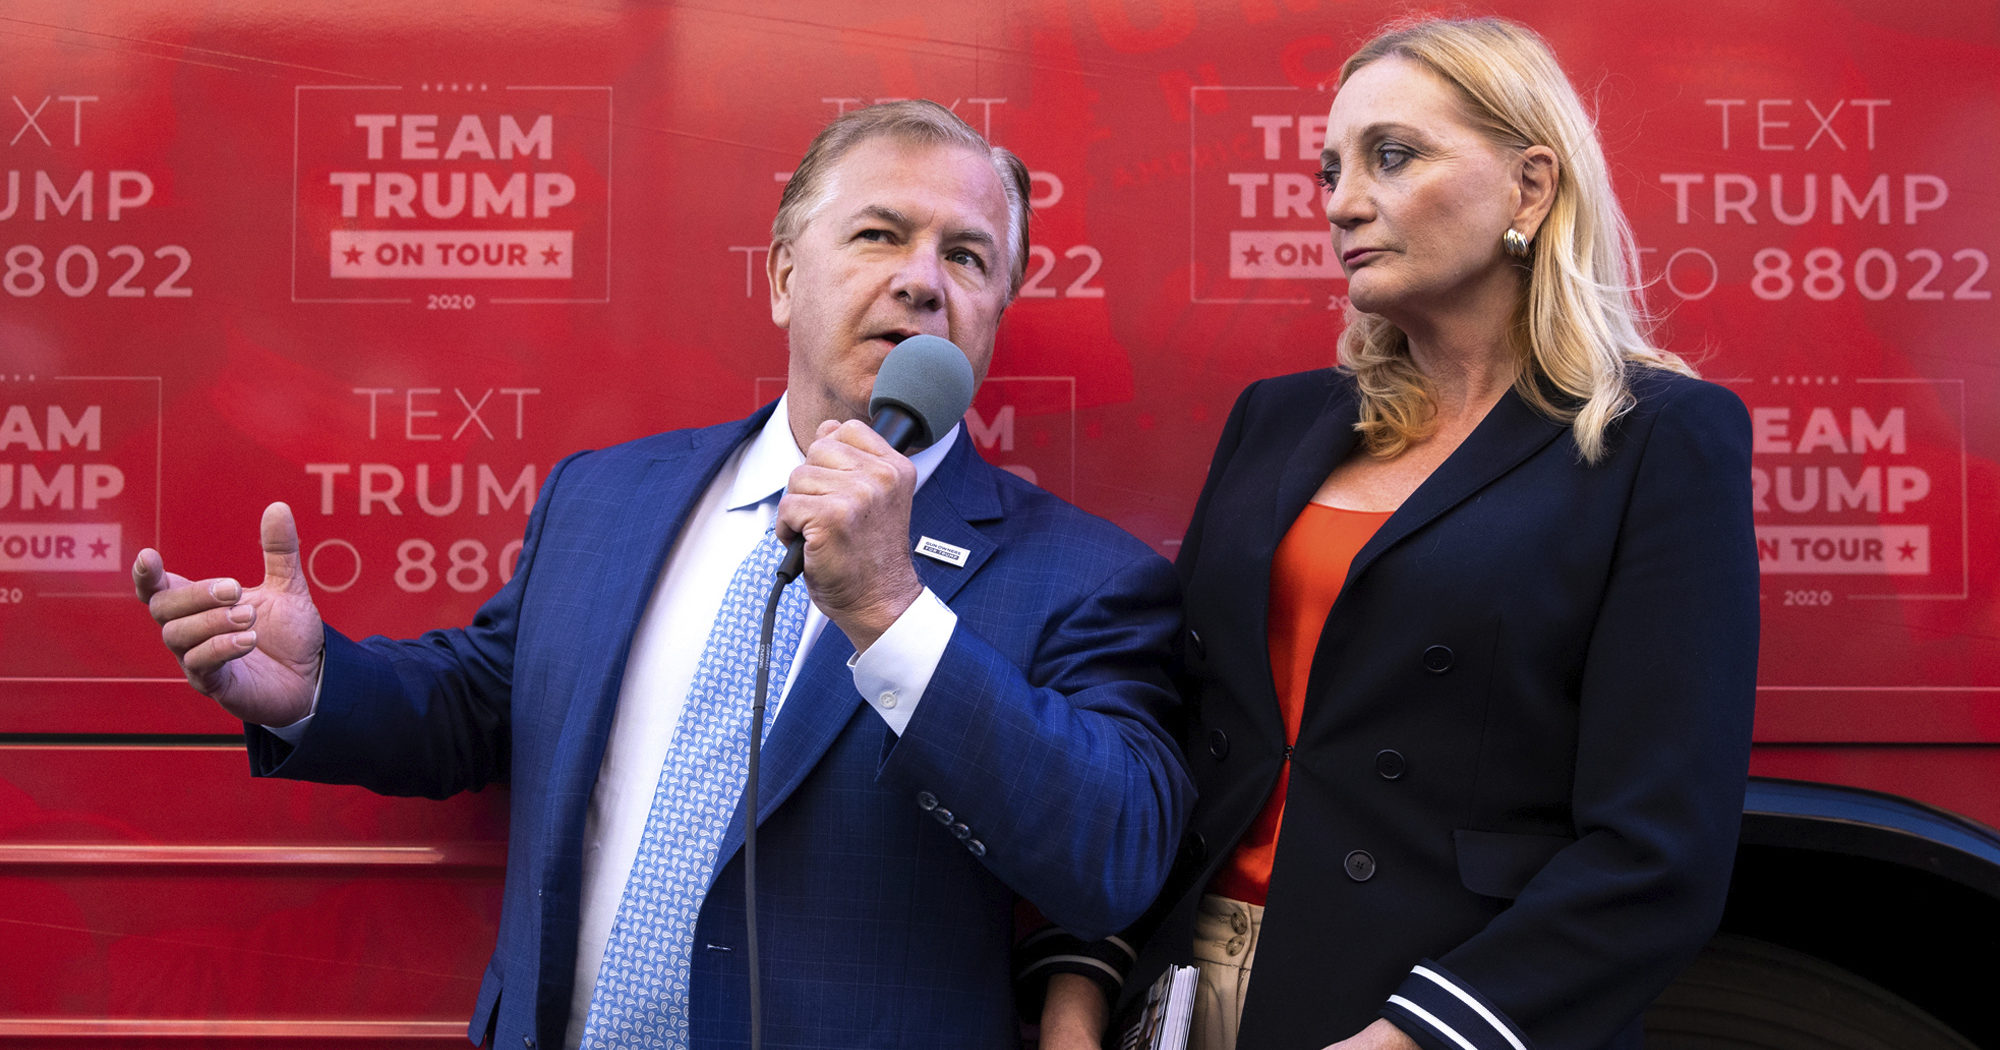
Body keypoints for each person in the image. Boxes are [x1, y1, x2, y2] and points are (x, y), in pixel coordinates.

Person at [134, 100, 1192, 1050]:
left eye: (967, 256)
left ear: (996, 306)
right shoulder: (607, 497)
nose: (921, 277)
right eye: (878, 234)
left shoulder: (1084, 576)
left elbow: (1111, 861)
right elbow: (484, 702)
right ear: (783, 276)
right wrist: (317, 686)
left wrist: (889, 611)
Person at [1028, 17, 1757, 1050]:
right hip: (1180, 995)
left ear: (1530, 186)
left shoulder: (1657, 441)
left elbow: (1657, 854)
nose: (1341, 202)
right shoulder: (1273, 422)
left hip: (1436, 1014)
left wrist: (1406, 1041)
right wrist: (1080, 977)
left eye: (1392, 156)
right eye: (1329, 169)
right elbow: (1164, 730)